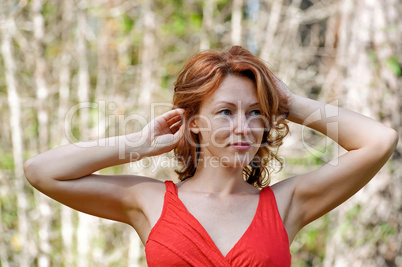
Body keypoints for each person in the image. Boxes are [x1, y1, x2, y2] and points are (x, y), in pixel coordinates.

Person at [24, 46, 398, 266]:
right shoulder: (148, 200)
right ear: (195, 123)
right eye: (225, 112)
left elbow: (380, 140)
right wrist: (137, 144)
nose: (243, 127)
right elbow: (42, 171)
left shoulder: (286, 203)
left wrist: (286, 101)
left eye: (255, 112)